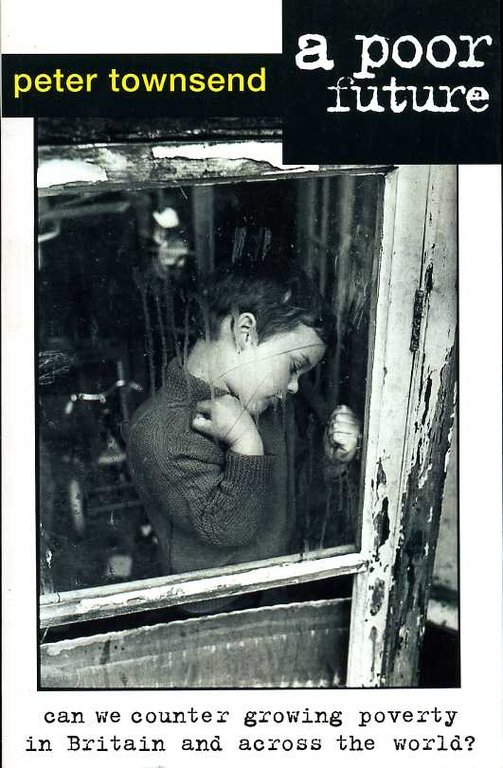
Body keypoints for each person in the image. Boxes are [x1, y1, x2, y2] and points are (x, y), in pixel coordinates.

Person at [126, 262, 360, 612]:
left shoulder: (263, 406)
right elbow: (227, 529)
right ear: (246, 331)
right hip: (215, 617)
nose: (294, 387)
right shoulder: (158, 429)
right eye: (294, 367)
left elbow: (287, 501)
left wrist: (329, 464)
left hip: (275, 590)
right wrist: (246, 444)